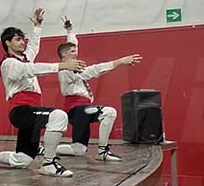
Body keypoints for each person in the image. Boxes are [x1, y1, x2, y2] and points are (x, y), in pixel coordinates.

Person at [0, 8, 85, 177]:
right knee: (58, 116)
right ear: (7, 42)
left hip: (32, 111)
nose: (23, 42)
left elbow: (34, 46)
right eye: (18, 39)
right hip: (21, 111)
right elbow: (29, 69)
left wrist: (37, 26)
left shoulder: (25, 58)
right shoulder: (8, 63)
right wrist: (62, 65)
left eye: (23, 39)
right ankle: (49, 164)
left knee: (22, 160)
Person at [55, 15, 142, 162]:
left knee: (78, 150)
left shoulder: (70, 65)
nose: (76, 53)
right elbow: (93, 71)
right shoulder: (66, 70)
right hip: (77, 110)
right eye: (72, 52)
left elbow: (72, 44)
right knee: (109, 112)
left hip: (80, 110)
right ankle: (103, 151)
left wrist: (70, 31)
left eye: (75, 51)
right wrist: (120, 61)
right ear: (64, 55)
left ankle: (48, 148)